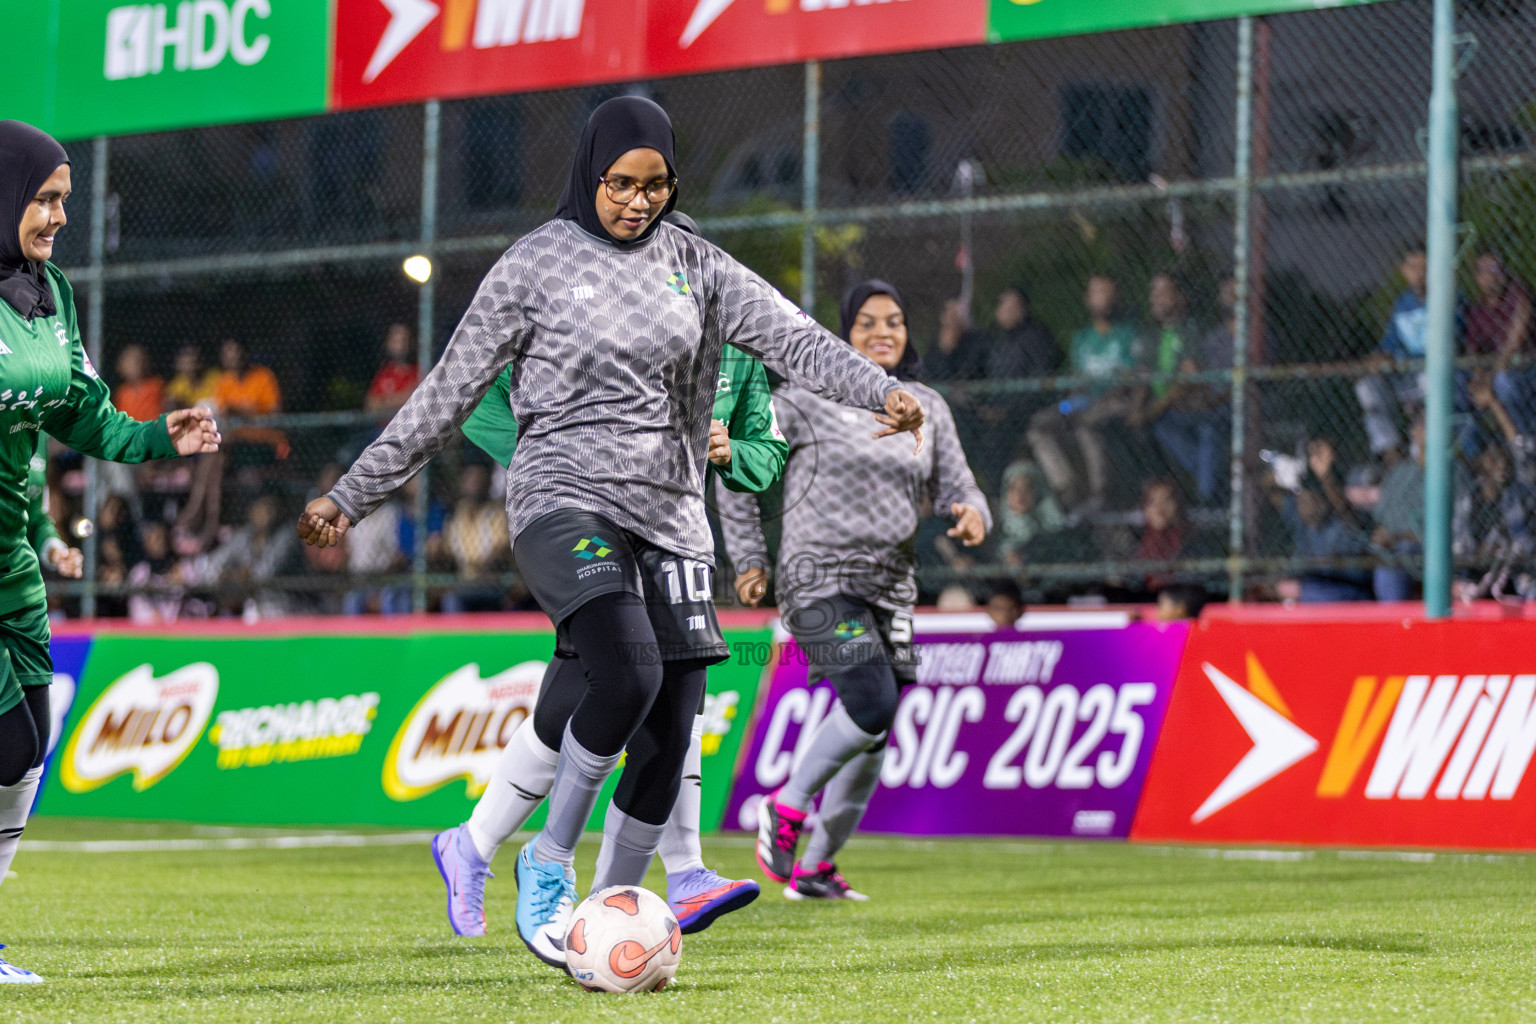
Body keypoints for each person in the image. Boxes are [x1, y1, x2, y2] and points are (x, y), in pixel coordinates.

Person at [295, 98, 923, 969]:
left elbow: (795, 337)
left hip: (669, 516)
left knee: (671, 726)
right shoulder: (535, 264)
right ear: (590, 176)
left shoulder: (696, 262)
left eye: (655, 185)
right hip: (563, 499)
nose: (637, 201)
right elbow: (447, 392)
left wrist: (876, 388)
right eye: (620, 185)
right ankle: (547, 860)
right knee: (626, 670)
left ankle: (612, 903)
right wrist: (352, 494)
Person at [432, 210, 786, 937]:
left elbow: (766, 454)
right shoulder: (590, 319)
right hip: (587, 529)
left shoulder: (742, 349)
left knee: (629, 706)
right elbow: (474, 401)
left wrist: (728, 455)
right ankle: (601, 870)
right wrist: (551, 463)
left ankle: (488, 851)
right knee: (625, 688)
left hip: (677, 539)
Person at [0, 120, 220, 983]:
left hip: (13, 555)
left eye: (62, 199)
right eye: (42, 197)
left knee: (31, 743)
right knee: (5, 739)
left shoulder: (49, 292)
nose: (56, 215)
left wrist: (155, 436)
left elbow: (81, 411)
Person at [720, 279, 989, 901]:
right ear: (844, 335)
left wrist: (975, 513)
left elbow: (961, 488)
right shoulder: (804, 401)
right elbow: (735, 470)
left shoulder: (926, 406)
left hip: (892, 591)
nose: (883, 333)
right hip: (817, 580)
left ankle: (816, 868)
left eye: (894, 322)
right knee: (870, 704)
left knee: (877, 725)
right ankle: (785, 807)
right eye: (867, 323)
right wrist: (750, 560)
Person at [1026, 274, 1140, 511]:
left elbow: (1132, 378)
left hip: (1114, 401)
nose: (1102, 298)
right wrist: (1072, 398)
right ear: (1088, 299)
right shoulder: (1081, 338)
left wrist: (1105, 395)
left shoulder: (1128, 334)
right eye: (1096, 292)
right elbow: (1077, 379)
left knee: (1086, 423)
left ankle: (1100, 492)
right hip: (1082, 402)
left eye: (1107, 292)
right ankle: (1067, 488)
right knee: (1040, 425)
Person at [1133, 272, 1225, 507]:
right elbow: (1141, 380)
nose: (1156, 298)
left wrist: (1153, 410)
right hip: (1166, 412)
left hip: (1198, 406)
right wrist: (1137, 410)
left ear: (1182, 297)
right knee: (1153, 427)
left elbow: (1188, 379)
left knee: (1209, 430)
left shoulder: (1193, 330)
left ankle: (1207, 499)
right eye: (1154, 292)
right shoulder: (1150, 336)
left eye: (1164, 292)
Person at [1356, 247, 1431, 458]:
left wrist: (1398, 358)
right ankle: (1392, 454)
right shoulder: (1402, 304)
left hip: (1432, 374)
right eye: (1413, 266)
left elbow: (1453, 341)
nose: (1419, 272)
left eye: (1424, 267)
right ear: (1403, 271)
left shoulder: (1446, 297)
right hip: (1405, 375)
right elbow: (1389, 343)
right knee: (1367, 386)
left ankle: (1422, 449)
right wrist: (1377, 357)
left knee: (1428, 378)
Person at [1465, 251, 1535, 437]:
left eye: (1496, 269)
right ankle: (1494, 454)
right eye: (1486, 271)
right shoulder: (1478, 310)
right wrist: (1479, 378)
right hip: (1498, 370)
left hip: (1527, 366)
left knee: (1504, 382)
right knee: (1466, 388)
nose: (1493, 275)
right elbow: (1472, 350)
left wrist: (1491, 376)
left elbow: (1513, 344)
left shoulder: (1517, 294)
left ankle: (1525, 440)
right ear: (1478, 278)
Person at [365, 324, 420, 419]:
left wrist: (385, 400)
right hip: (385, 428)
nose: (400, 346)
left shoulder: (418, 372)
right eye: (395, 341)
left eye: (404, 341)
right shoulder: (385, 373)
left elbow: (416, 398)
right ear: (388, 344)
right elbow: (371, 404)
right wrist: (400, 398)